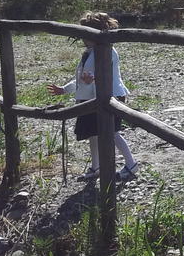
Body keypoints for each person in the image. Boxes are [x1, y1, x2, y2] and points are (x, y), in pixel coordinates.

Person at [47, 11, 139, 182]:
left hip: (111, 96)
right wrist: (64, 89)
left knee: (112, 132)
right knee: (93, 133)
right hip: (91, 98)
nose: (82, 38)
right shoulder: (89, 52)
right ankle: (96, 167)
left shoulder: (108, 50)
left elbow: (104, 74)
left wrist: (93, 79)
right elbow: (82, 78)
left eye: (85, 34)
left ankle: (131, 164)